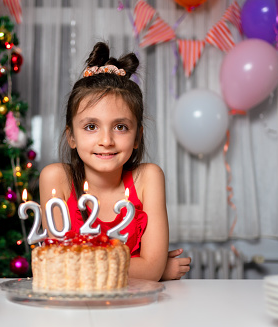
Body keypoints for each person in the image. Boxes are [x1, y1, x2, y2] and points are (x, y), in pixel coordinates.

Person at [39, 42, 190, 281]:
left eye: (120, 127)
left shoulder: (148, 178)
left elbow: (150, 269)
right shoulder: (56, 178)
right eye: (91, 127)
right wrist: (153, 270)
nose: (106, 140)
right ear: (71, 137)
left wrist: (154, 270)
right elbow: (60, 268)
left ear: (137, 136)